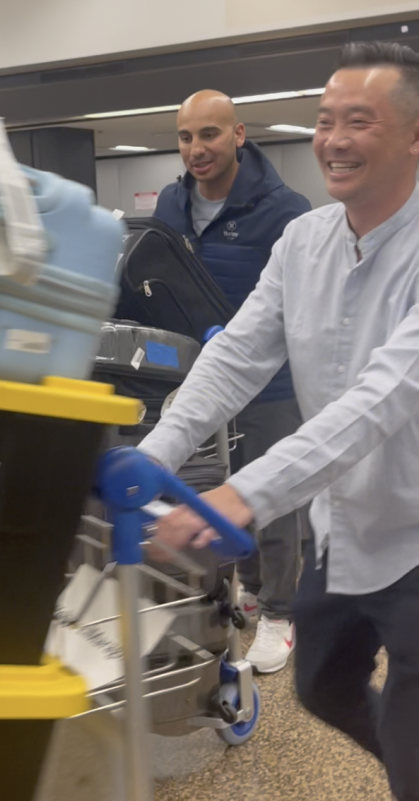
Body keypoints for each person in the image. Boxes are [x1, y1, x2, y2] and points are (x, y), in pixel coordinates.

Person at [142, 41, 419, 801]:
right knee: (321, 688)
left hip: (418, 530)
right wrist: (158, 452)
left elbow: (382, 396)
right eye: (323, 121)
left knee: (409, 731)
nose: (330, 140)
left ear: (411, 136)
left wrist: (245, 493)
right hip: (348, 523)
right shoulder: (304, 241)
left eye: (356, 122)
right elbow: (235, 356)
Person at [154, 90, 310, 673]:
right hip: (197, 380)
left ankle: (280, 611)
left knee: (269, 498)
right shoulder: (171, 204)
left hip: (271, 384)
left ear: (239, 135)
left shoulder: (283, 210)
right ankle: (247, 587)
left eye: (210, 135)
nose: (197, 149)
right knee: (213, 487)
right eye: (186, 137)